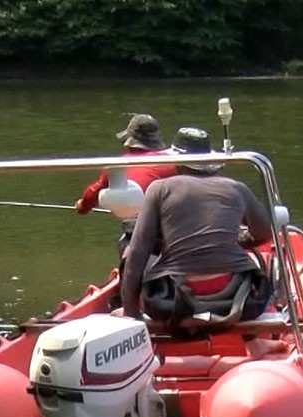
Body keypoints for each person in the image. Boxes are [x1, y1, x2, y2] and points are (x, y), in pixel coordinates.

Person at [118, 127, 275, 321]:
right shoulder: (236, 188)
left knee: (130, 251)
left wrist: (130, 312)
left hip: (172, 301)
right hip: (237, 299)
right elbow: (264, 232)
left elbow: (138, 252)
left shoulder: (159, 189)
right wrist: (238, 239)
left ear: (176, 162)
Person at [75, 113, 179, 249]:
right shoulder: (172, 162)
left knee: (125, 243)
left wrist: (82, 206)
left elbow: (93, 192)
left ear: (130, 140)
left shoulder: (118, 165)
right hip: (171, 227)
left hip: (139, 229)